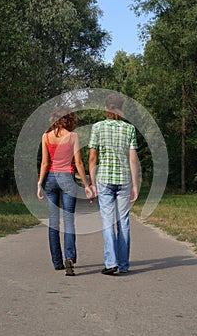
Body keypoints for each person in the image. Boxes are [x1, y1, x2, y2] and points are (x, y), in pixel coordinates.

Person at [37, 107, 92, 276]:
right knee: (68, 221)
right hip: (67, 178)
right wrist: (87, 185)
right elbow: (79, 163)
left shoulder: (46, 136)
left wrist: (40, 183)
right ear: (69, 119)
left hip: (51, 179)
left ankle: (57, 262)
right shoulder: (73, 136)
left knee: (53, 222)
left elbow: (45, 163)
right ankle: (69, 258)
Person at [88, 93, 138, 275]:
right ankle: (124, 265)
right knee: (123, 221)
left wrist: (92, 184)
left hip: (105, 179)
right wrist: (135, 184)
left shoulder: (98, 127)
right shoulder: (129, 129)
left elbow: (93, 157)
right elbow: (133, 158)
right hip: (124, 179)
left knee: (108, 221)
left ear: (106, 108)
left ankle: (111, 263)